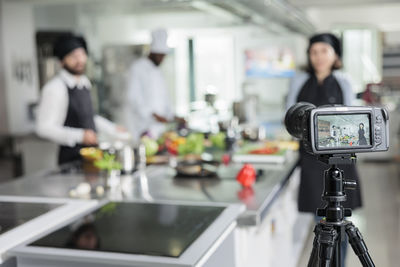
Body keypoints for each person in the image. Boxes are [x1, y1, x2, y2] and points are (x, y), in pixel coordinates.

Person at [286, 33, 362, 267]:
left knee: (340, 221)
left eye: (324, 51)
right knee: (321, 220)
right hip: (310, 160)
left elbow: (353, 116)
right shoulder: (299, 80)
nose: (318, 57)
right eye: (313, 52)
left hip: (341, 160)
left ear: (335, 55)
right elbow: (289, 114)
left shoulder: (344, 80)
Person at [36, 34, 127, 165]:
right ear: (62, 61)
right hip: (70, 160)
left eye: (82, 55)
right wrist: (80, 136)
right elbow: (43, 128)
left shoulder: (84, 82)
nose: (80, 60)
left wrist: (112, 128)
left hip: (93, 155)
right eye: (73, 57)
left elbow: (89, 117)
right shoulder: (55, 88)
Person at [124, 29, 184, 142]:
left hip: (159, 130)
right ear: (153, 52)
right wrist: (154, 115)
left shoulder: (159, 72)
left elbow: (164, 99)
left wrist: (173, 116)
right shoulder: (137, 68)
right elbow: (133, 98)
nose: (162, 59)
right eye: (160, 55)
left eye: (164, 56)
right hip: (142, 128)